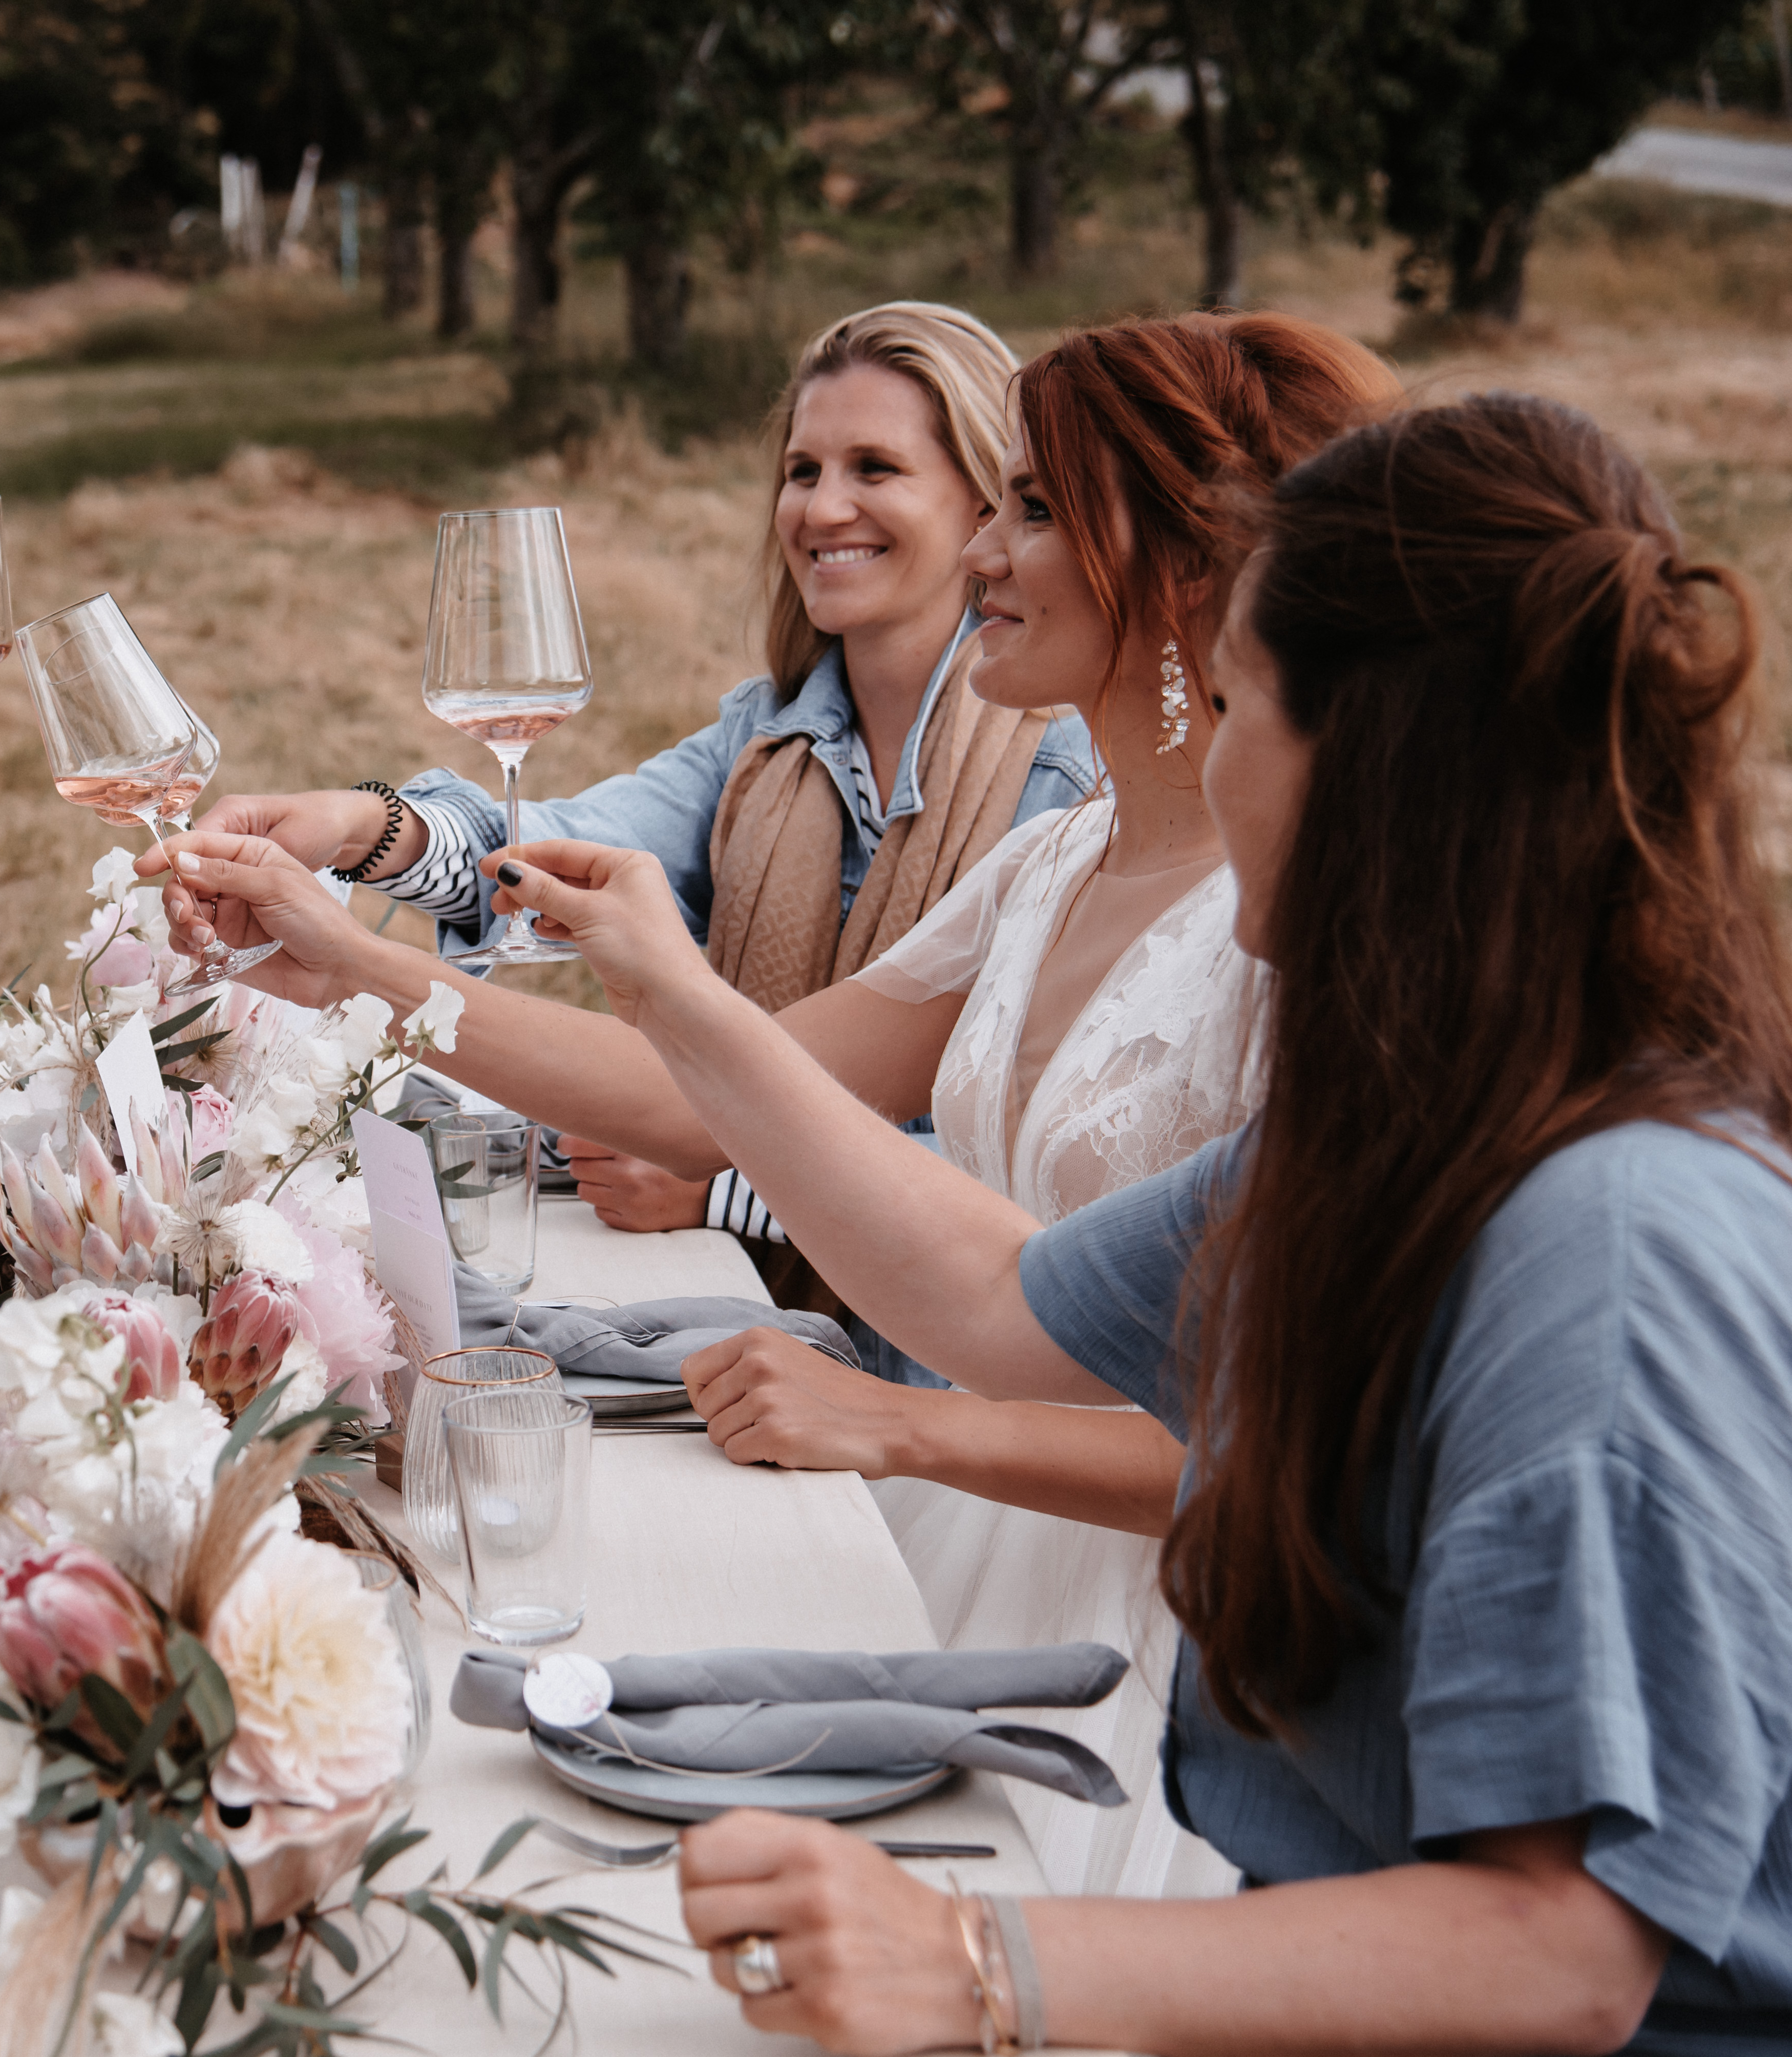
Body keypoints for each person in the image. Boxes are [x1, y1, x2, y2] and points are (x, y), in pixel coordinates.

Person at [521, 394, 1790, 2051]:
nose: (1216, 748)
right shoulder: (1414, 1126)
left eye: (1246, 698)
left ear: (1368, 759)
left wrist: (978, 1959)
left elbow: (1558, 1949)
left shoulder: (1604, 1249)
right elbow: (992, 1291)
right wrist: (676, 1005)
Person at [152, 310, 1401, 1899]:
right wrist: (360, 961)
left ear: (1169, 566)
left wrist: (908, 1428)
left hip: (1173, 1623)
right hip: (970, 1534)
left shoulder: (1295, 925)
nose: (984, 558)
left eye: (1024, 509)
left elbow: (1304, 1452)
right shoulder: (1053, 865)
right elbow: (720, 1096)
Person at [197, 302, 1099, 1306]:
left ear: (985, 507)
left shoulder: (1061, 780)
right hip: (738, 1320)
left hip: (954, 1363)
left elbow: (1031, 1150)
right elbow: (556, 852)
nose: (820, 508)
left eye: (873, 470)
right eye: (800, 472)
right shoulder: (762, 746)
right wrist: (370, 832)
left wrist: (734, 1188)